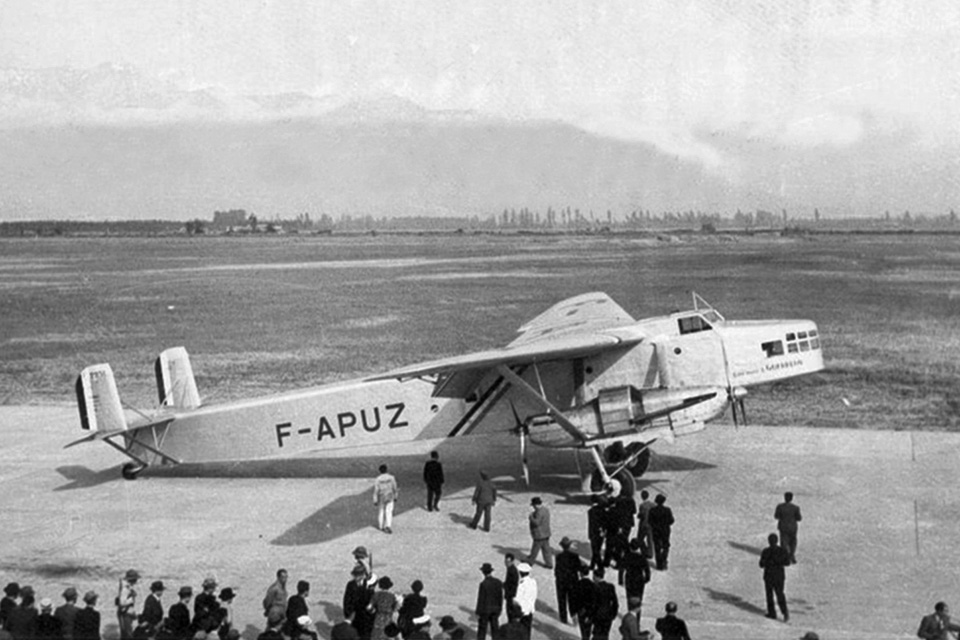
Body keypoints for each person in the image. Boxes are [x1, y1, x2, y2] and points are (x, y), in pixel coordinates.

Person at [759, 532, 791, 622]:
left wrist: (769, 562)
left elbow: (761, 564)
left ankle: (772, 613)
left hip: (768, 575)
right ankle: (784, 612)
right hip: (779, 576)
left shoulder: (766, 551)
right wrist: (778, 561)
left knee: (769, 595)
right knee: (780, 594)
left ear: (769, 541)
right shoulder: (782, 551)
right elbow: (787, 562)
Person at [554, 537, 583, 625]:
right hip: (572, 581)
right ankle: (574, 617)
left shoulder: (558, 557)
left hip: (561, 581)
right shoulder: (575, 556)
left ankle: (563, 619)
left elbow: (557, 570)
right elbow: (579, 568)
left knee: (562, 600)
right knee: (573, 600)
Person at [619, 538, 651, 616]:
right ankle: (638, 618)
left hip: (629, 579)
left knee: (629, 598)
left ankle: (630, 615)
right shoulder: (642, 557)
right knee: (639, 599)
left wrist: (620, 580)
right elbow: (647, 570)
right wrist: (646, 579)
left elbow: (621, 569)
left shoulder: (627, 556)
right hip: (639, 579)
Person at [342, 566, 374, 640]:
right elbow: (346, 600)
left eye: (358, 575)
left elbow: (372, 599)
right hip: (354, 615)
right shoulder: (350, 584)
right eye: (355, 575)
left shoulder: (368, 584)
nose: (355, 577)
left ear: (362, 575)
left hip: (365, 616)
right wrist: (348, 613)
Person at [474, 563, 502, 640]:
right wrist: (500, 609)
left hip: (485, 610)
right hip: (495, 609)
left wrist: (478, 612)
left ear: (483, 572)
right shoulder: (498, 582)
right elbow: (500, 597)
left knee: (482, 630)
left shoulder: (483, 584)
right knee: (495, 628)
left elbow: (481, 599)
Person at [647, 495, 674, 571]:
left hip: (656, 531)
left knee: (657, 547)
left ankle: (659, 564)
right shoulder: (667, 510)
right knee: (666, 546)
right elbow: (671, 521)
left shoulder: (652, 510)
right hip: (665, 530)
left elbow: (649, 521)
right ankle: (664, 560)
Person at [774, 492, 802, 564]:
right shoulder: (795, 508)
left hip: (783, 527)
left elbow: (776, 516)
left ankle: (785, 556)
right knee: (792, 542)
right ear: (791, 498)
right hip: (792, 527)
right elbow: (799, 518)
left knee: (784, 542)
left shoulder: (780, 507)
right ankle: (791, 555)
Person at [590, 569, 618, 640]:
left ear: (596, 577)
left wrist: (591, 617)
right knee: (605, 635)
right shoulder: (610, 587)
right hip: (608, 617)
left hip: (598, 616)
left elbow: (593, 604)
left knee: (597, 636)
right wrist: (613, 615)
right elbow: (615, 603)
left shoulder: (594, 587)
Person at [526, 497, 553, 569]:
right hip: (546, 533)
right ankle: (549, 563)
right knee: (546, 550)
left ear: (536, 505)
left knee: (535, 550)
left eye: (533, 506)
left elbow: (536, 522)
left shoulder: (539, 512)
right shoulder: (545, 510)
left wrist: (531, 517)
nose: (533, 507)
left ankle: (530, 562)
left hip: (539, 535)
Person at [513, 564, 537, 640]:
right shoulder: (533, 582)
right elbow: (534, 595)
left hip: (522, 611)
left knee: (520, 632)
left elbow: (518, 599)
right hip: (530, 609)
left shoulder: (522, 584)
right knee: (527, 630)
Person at [373, 464, 399, 534]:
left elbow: (376, 490)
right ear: (386, 470)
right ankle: (388, 525)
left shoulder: (378, 479)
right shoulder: (391, 478)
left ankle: (381, 526)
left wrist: (375, 499)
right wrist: (396, 496)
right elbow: (395, 487)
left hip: (381, 496)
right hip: (390, 495)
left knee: (381, 511)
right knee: (389, 511)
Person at [117, 569, 141, 640]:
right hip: (125, 614)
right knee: (128, 634)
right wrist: (131, 598)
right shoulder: (125, 589)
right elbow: (122, 602)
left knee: (126, 633)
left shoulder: (128, 587)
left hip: (126, 613)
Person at [587, 496, 608, 570]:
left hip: (593, 533)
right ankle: (592, 565)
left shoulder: (591, 511)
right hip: (601, 533)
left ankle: (600, 566)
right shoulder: (603, 511)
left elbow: (592, 524)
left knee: (595, 551)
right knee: (597, 550)